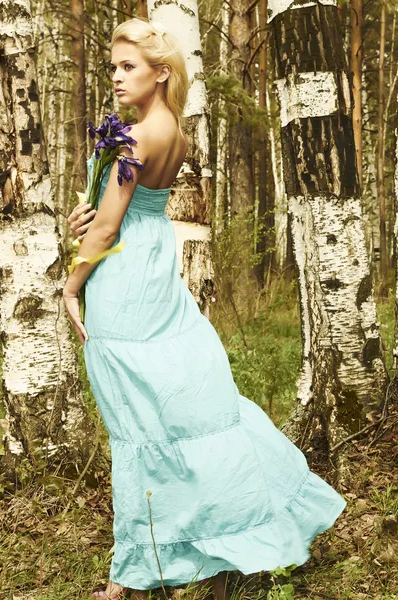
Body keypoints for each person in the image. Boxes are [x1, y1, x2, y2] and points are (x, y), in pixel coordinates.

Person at [63, 16, 347, 600]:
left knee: (137, 421)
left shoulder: (136, 137)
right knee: (191, 411)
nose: (116, 78)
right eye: (113, 67)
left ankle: (134, 576)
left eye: (128, 67)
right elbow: (119, 213)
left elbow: (110, 226)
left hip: (124, 278)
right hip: (155, 266)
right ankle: (211, 555)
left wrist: (71, 284)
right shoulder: (173, 133)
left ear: (160, 73)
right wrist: (85, 219)